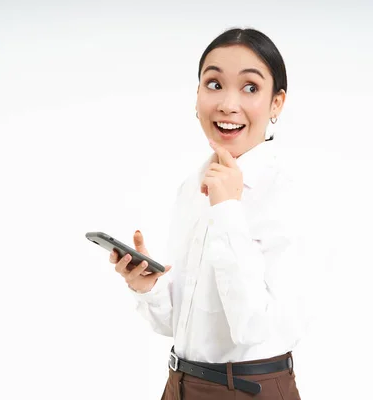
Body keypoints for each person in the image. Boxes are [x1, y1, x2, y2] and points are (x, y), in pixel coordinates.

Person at [110, 27, 308, 400]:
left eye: (250, 87)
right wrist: (148, 286)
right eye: (214, 84)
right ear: (197, 94)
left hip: (250, 390)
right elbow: (181, 326)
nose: (227, 104)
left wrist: (228, 209)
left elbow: (253, 327)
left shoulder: (287, 195)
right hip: (180, 385)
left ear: (277, 103)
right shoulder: (192, 187)